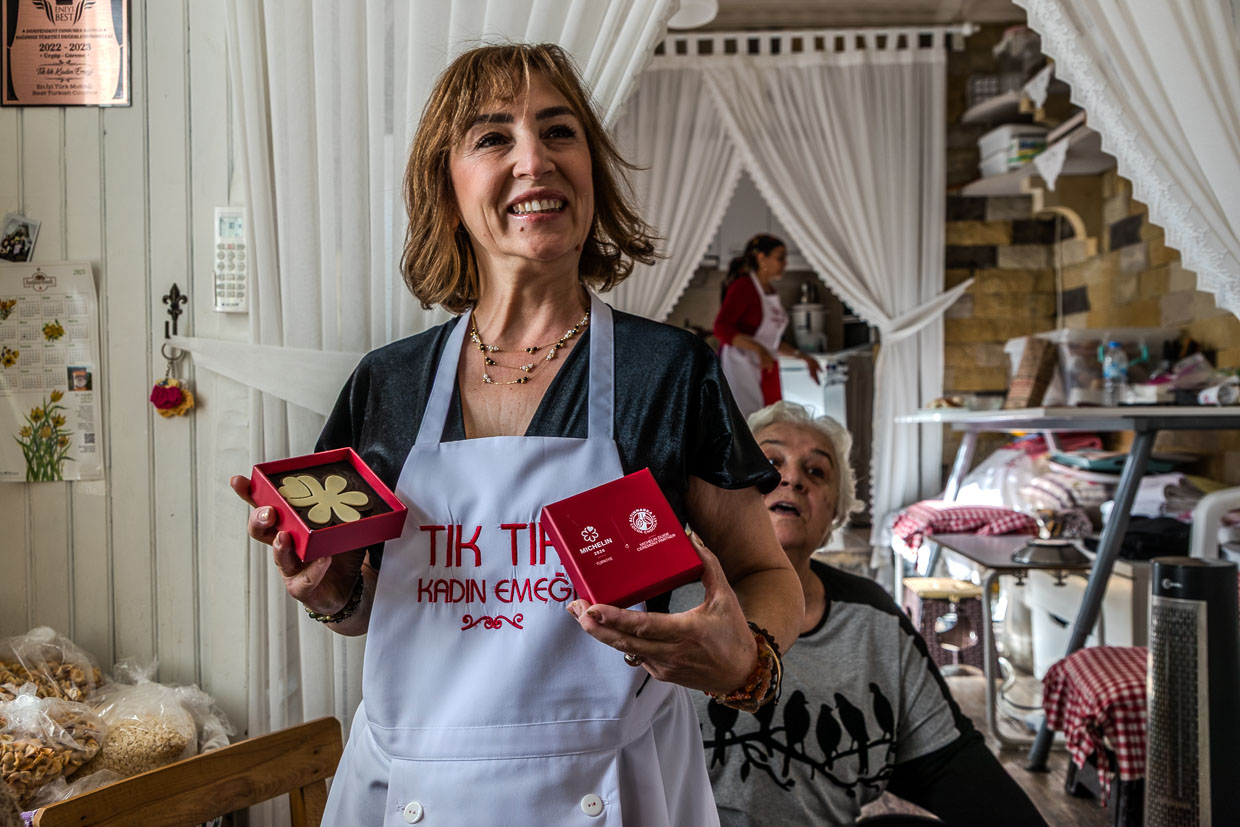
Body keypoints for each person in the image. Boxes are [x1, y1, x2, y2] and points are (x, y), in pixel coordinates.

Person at [230, 44, 803, 825]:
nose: (535, 161)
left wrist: (746, 660)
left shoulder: (664, 370)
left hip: (616, 786)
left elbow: (767, 575)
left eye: (559, 131)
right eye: (493, 137)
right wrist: (325, 590)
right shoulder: (388, 384)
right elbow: (365, 602)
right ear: (449, 182)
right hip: (407, 790)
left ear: (591, 168)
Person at [673, 401, 1048, 826]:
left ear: (834, 515)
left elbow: (951, 761)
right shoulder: (666, 599)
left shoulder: (872, 620)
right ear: (724, 489)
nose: (791, 478)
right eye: (770, 462)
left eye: (815, 472)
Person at [713, 234, 820, 419]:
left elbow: (771, 341)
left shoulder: (770, 291)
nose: (785, 263)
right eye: (780, 258)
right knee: (749, 423)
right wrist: (759, 350)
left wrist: (803, 357)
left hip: (765, 367)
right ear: (761, 258)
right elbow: (721, 328)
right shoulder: (744, 286)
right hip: (740, 368)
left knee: (769, 421)